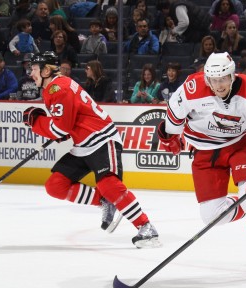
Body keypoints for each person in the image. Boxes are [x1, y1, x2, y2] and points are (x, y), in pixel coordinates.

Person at [157, 52, 246, 276]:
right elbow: (174, 115)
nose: (219, 85)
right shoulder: (191, 89)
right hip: (205, 152)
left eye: (223, 78)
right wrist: (170, 135)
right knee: (211, 216)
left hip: (240, 145)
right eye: (213, 80)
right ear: (206, 78)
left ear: (232, 75)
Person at [22, 51, 160, 247]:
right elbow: (66, 127)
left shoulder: (58, 89)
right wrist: (55, 128)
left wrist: (37, 123)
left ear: (46, 70)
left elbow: (62, 127)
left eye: (34, 69)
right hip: (83, 143)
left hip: (102, 138)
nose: (31, 73)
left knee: (108, 184)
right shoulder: (52, 88)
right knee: (55, 185)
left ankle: (146, 227)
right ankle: (105, 201)